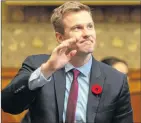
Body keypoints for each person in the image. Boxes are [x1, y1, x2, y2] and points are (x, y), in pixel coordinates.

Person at [1, 1, 133, 123]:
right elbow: (8, 104)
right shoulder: (37, 65)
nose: (87, 33)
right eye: (77, 28)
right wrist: (47, 70)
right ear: (60, 37)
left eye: (90, 26)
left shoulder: (115, 80)